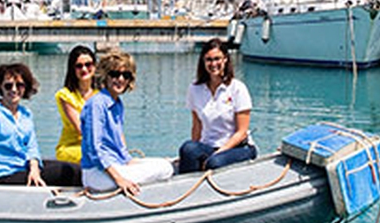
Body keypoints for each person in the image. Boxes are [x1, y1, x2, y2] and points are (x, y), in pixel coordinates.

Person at [79, 49, 175, 198]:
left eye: (126, 75)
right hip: (97, 173)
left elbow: (119, 148)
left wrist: (131, 161)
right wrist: (119, 179)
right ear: (105, 76)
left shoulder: (117, 104)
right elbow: (95, 150)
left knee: (164, 164)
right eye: (115, 74)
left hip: (117, 165)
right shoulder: (96, 104)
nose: (120, 79)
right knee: (166, 169)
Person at [0, 61, 80, 187]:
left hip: (25, 167)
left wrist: (34, 169)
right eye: (8, 86)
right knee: (70, 173)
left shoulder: (26, 114)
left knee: (72, 168)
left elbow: (32, 147)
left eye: (19, 85)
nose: (14, 90)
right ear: (0, 87)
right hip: (5, 174)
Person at [178, 38, 256, 173]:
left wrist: (219, 152)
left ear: (225, 59)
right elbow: (197, 126)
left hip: (238, 147)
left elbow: (241, 132)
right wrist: (191, 155)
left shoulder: (237, 88)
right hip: (210, 146)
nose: (213, 64)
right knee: (187, 148)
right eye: (209, 60)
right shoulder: (195, 89)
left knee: (214, 162)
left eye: (217, 59)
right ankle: (188, 182)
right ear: (203, 62)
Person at [53, 45, 98, 169]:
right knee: (99, 156)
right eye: (79, 66)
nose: (84, 69)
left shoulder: (101, 94)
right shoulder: (65, 95)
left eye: (88, 64)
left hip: (96, 146)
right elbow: (82, 129)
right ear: (72, 69)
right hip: (72, 147)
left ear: (95, 66)